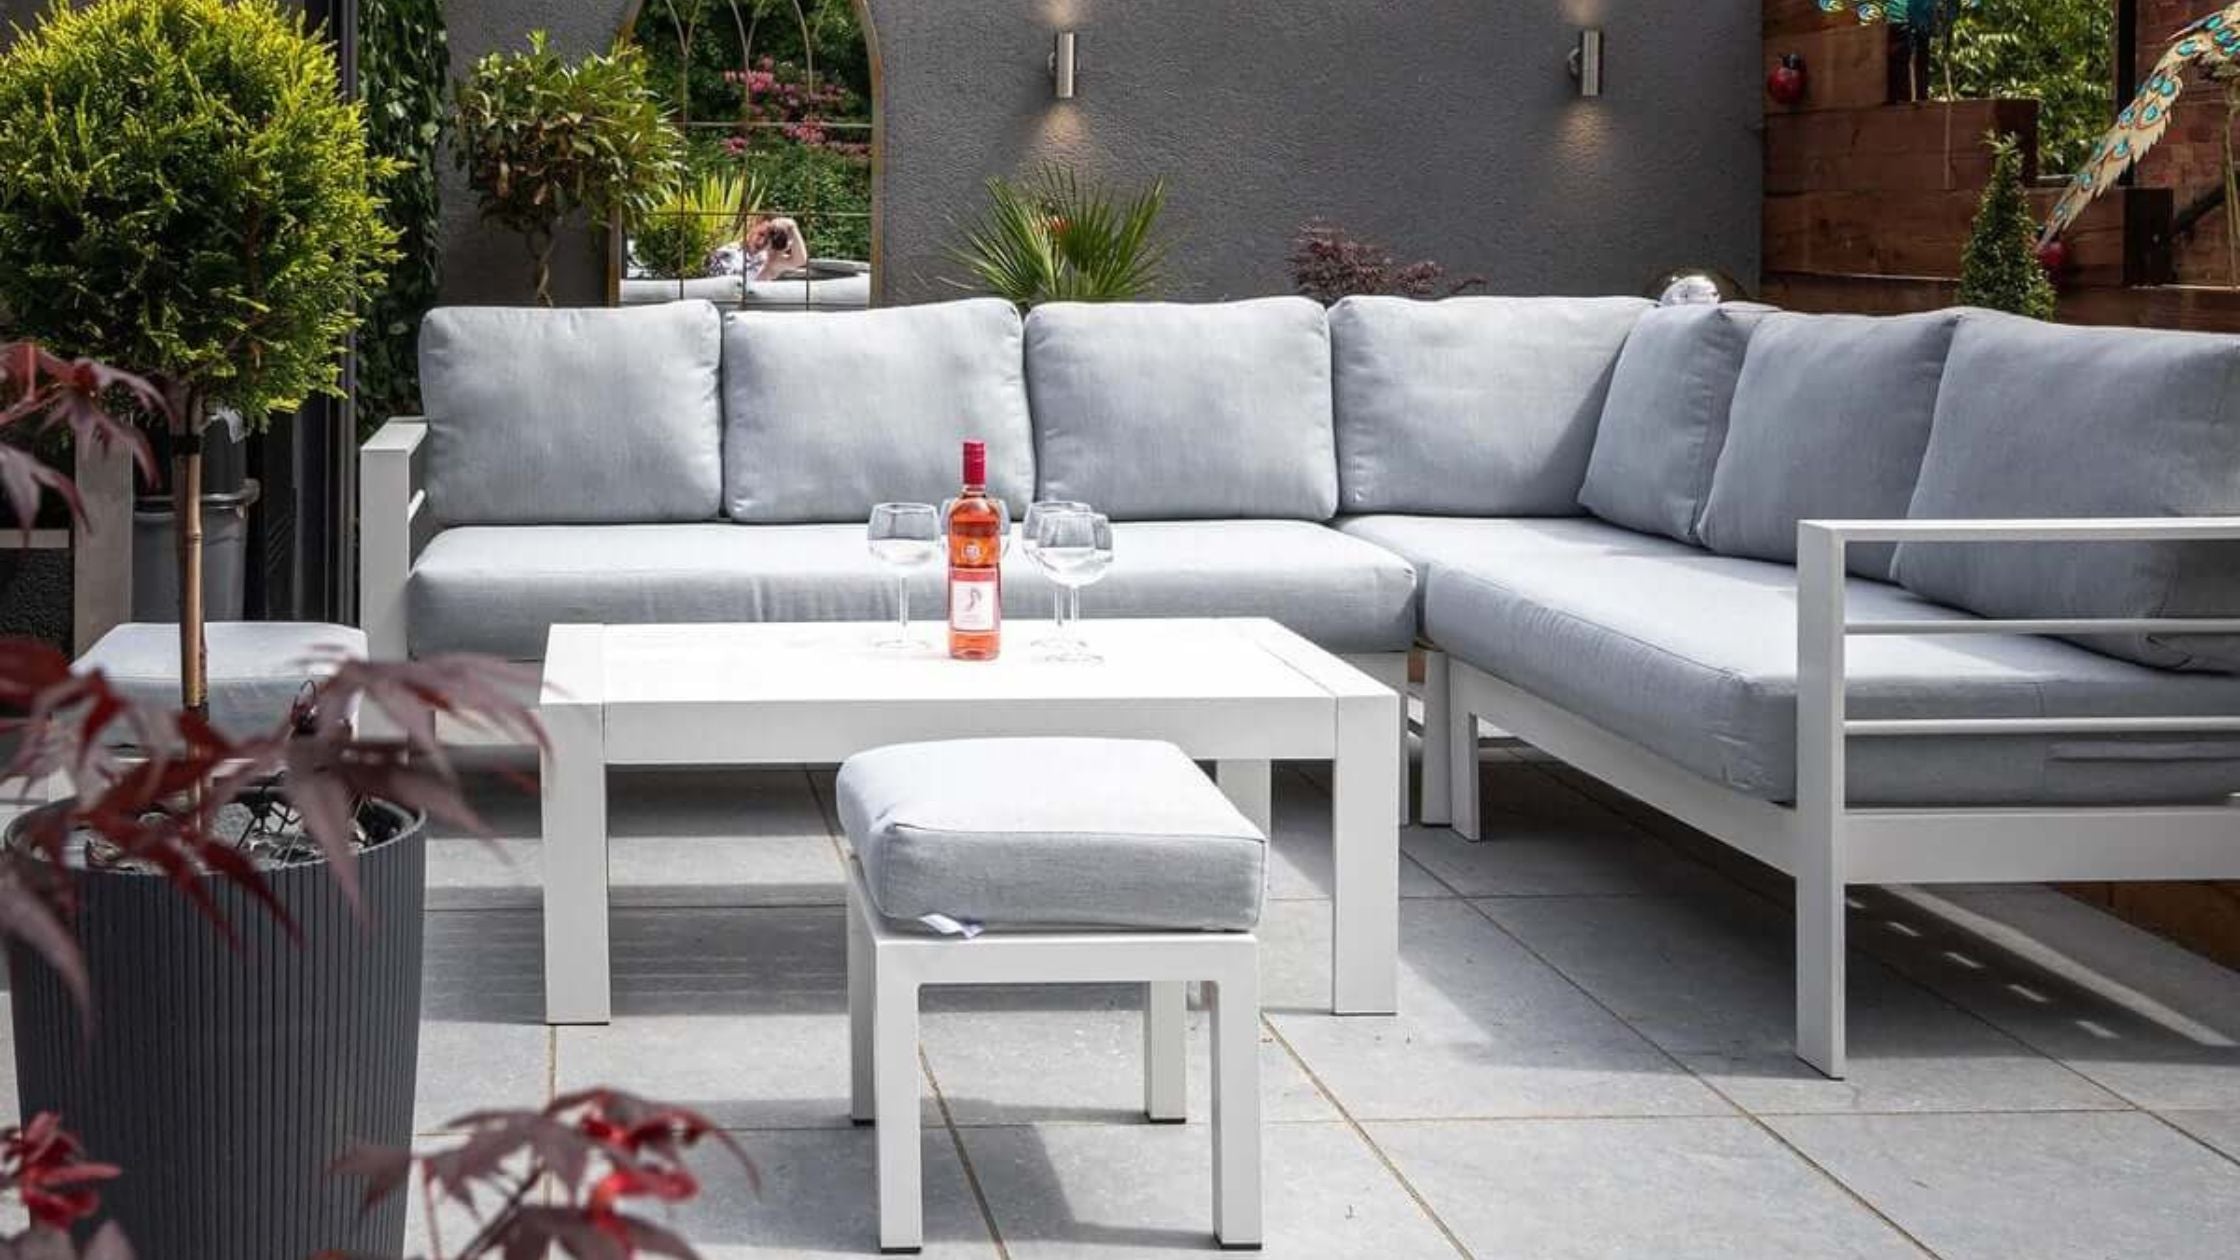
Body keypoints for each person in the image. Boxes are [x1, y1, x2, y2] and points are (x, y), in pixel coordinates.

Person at [709, 214, 809, 281]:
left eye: (768, 238)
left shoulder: (767, 258)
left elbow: (800, 260)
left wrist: (792, 227)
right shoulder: (726, 254)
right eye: (760, 234)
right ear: (752, 226)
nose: (762, 242)